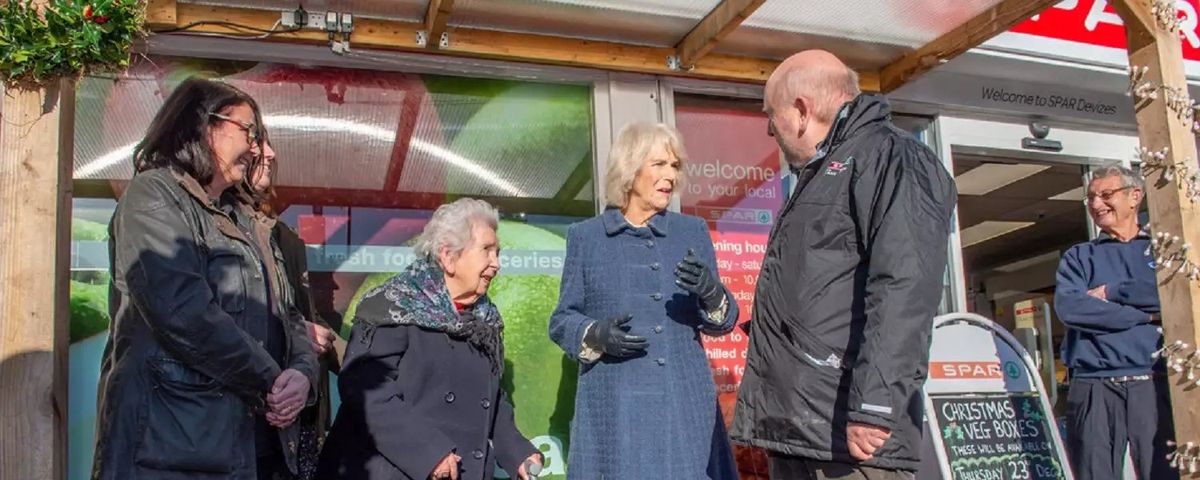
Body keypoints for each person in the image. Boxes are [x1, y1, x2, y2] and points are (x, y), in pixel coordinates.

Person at [730, 50, 957, 479]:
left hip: (850, 436)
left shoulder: (894, 158)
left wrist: (875, 404)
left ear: (801, 110)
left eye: (770, 113)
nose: (768, 128)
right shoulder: (824, 171)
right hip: (804, 427)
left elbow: (904, 287)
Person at [93, 77, 317, 480]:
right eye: (249, 131)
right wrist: (272, 380)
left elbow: (288, 314)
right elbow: (183, 313)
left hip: (250, 445)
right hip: (171, 449)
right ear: (203, 124)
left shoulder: (247, 219)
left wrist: (302, 374)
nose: (255, 148)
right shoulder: (153, 196)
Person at [548, 122, 740, 479]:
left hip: (682, 404)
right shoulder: (586, 238)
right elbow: (561, 319)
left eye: (674, 166)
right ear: (630, 168)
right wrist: (594, 334)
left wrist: (712, 293)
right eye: (659, 164)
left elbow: (723, 321)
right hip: (616, 405)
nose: (670, 175)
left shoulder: (691, 231)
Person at [316, 198, 542, 480]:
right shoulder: (393, 305)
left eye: (498, 252)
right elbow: (367, 391)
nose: (496, 264)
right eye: (487, 250)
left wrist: (517, 452)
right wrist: (428, 452)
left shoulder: (486, 322)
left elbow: (490, 401)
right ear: (448, 256)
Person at [1054, 164, 1176, 480]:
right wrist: (1146, 316)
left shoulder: (1163, 250)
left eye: (1106, 195)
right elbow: (1071, 308)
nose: (1096, 204)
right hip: (1093, 386)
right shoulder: (1079, 256)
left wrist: (1112, 291)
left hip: (1152, 382)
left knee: (1164, 473)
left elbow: (1172, 295)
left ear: (1135, 196)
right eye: (1091, 198)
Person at [235, 140, 340, 480]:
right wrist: (294, 331)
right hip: (237, 426)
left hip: (291, 427)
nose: (271, 155)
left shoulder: (283, 236)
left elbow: (297, 313)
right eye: (254, 142)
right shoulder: (190, 227)